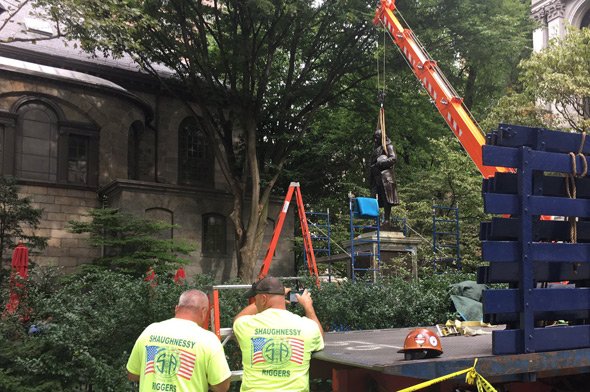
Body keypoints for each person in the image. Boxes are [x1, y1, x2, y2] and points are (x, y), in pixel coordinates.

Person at [127, 289, 231, 392]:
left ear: (176, 308)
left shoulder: (150, 331)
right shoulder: (208, 340)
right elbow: (221, 387)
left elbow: (132, 375)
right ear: (204, 311)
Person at [233, 276, 324, 392]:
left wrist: (269, 300)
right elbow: (319, 334)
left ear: (263, 298)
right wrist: (308, 306)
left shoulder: (247, 325)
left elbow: (238, 319)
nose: (255, 304)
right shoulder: (306, 326)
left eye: (256, 300)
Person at [369, 128, 399, 226]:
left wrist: (381, 162)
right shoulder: (376, 149)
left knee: (386, 198)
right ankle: (375, 220)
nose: (375, 140)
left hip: (385, 176)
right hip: (376, 177)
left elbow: (393, 158)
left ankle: (387, 220)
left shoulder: (388, 146)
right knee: (374, 199)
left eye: (377, 138)